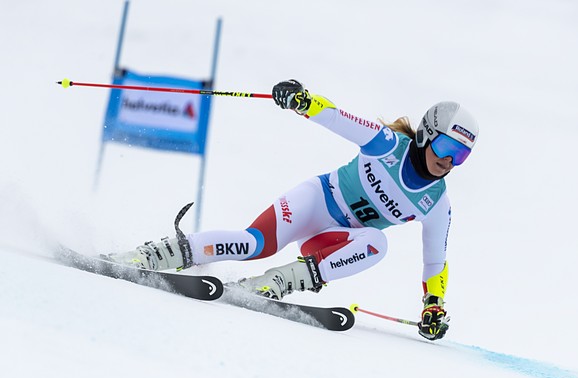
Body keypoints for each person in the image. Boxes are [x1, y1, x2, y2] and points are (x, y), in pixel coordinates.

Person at [109, 80, 479, 341]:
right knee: (253, 244)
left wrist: (434, 305)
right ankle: (154, 255)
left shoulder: (437, 203)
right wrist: (303, 102)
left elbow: (435, 261)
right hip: (316, 200)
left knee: (376, 243)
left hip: (334, 239)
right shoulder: (387, 144)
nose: (449, 161)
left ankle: (274, 283)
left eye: (461, 155)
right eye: (447, 146)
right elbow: (339, 118)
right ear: (428, 133)